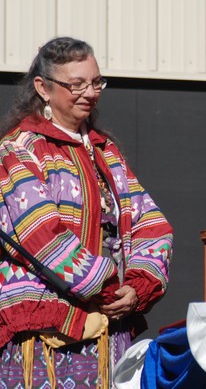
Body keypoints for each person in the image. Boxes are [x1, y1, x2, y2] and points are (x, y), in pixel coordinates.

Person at [0, 37, 173, 388]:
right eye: (76, 84)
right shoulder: (18, 151)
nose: (90, 93)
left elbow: (151, 224)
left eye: (96, 82)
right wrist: (111, 289)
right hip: (43, 333)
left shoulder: (106, 152)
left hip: (108, 331)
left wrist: (138, 287)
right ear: (43, 88)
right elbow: (41, 236)